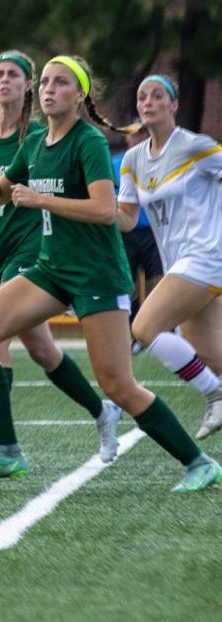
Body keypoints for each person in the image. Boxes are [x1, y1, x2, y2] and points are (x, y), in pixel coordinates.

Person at [0, 55, 220, 491]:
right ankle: (4, 450)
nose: (48, 89)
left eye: (60, 83)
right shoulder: (36, 143)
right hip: (51, 269)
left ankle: (198, 462)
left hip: (97, 275)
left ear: (79, 95)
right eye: (44, 82)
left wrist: (41, 201)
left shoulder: (88, 143)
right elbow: (2, 193)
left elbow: (103, 211)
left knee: (117, 384)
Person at [0, 51, 117, 466]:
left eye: (13, 75)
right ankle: (103, 409)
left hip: (33, 247)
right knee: (41, 349)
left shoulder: (37, 135)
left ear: (26, 86)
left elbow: (80, 196)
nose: (4, 81)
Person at [117, 75, 222, 440]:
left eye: (157, 96)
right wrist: (87, 210)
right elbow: (127, 219)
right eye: (142, 97)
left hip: (206, 257)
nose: (148, 102)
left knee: (144, 328)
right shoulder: (132, 159)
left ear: (173, 106)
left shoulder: (196, 146)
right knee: (212, 359)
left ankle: (215, 396)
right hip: (179, 262)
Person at [111, 128, 164, 320]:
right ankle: (129, 331)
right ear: (126, 137)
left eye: (142, 133)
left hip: (153, 233)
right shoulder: (115, 163)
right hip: (126, 234)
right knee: (127, 285)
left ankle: (159, 329)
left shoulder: (158, 162)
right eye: (134, 134)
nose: (138, 137)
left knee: (158, 283)